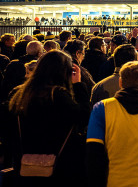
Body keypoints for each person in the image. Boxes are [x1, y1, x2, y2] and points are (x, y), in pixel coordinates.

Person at [6, 50, 91, 187]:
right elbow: (83, 116)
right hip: (59, 163)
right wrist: (79, 86)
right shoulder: (57, 95)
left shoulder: (20, 94)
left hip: (25, 161)